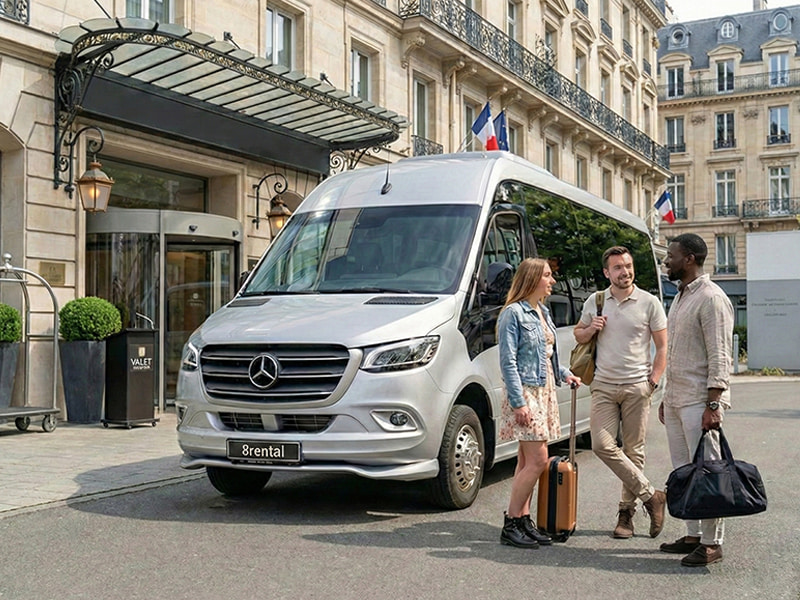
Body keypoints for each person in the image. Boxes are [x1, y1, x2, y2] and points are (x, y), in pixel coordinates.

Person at [573, 246, 668, 539]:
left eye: (628, 266)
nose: (625, 272)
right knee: (601, 445)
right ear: (607, 273)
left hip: (637, 387)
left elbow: (663, 346)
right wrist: (592, 329)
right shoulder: (596, 301)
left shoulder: (649, 302)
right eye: (618, 267)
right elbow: (578, 333)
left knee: (634, 451)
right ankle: (652, 496)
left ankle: (626, 514)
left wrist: (652, 382)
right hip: (602, 384)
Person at [658, 233, 734, 567]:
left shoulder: (711, 298)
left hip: (699, 400)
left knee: (709, 471)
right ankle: (692, 534)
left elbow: (720, 355)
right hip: (677, 399)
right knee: (684, 472)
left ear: (688, 258)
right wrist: (665, 396)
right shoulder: (680, 297)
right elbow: (676, 353)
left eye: (671, 255)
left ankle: (712, 543)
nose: (667, 261)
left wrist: (714, 403)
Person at [497, 258, 581, 548]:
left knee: (525, 460)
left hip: (543, 390)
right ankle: (511, 523)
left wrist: (565, 373)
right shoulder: (513, 314)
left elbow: (546, 356)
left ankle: (523, 519)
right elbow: (508, 361)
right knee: (538, 460)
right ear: (532, 279)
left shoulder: (541, 311)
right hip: (526, 393)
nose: (552, 281)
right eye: (547, 275)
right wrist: (519, 402)